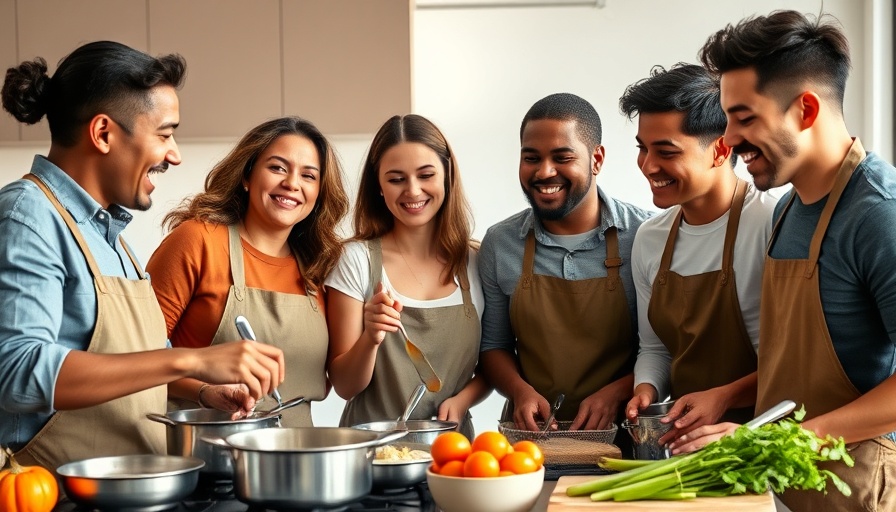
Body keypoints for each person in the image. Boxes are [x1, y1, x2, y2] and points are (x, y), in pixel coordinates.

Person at [0, 41, 284, 470]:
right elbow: (17, 372)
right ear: (103, 134)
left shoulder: (110, 235)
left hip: (123, 487)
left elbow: (136, 360)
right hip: (56, 493)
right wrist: (193, 358)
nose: (175, 153)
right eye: (165, 133)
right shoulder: (29, 216)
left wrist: (201, 389)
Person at [671, 10, 896, 510]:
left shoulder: (880, 215)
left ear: (806, 110)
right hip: (792, 487)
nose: (726, 140)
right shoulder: (789, 209)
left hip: (860, 489)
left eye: (744, 118)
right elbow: (804, 358)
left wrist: (778, 441)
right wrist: (728, 393)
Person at [146, 117, 349, 426]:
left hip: (300, 456)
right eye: (277, 168)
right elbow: (136, 361)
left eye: (308, 175)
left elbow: (333, 378)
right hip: (207, 454)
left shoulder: (319, 267)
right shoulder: (198, 241)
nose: (292, 183)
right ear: (247, 175)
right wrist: (203, 390)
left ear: (319, 192)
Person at [479, 93, 652, 438]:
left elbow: (664, 348)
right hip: (531, 441)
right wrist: (519, 391)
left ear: (596, 159)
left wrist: (619, 392)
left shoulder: (646, 236)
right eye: (531, 158)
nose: (544, 171)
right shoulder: (500, 243)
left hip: (628, 437)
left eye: (562, 157)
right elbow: (493, 347)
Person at [618, 63, 776, 443]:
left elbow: (795, 360)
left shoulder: (772, 224)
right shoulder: (651, 238)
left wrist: (726, 396)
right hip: (689, 442)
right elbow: (655, 348)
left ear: (721, 149)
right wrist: (647, 390)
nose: (648, 165)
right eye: (642, 148)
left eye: (666, 152)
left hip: (768, 436)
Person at [325, 114, 489, 438]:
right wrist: (370, 338)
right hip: (370, 454)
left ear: (447, 176)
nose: (413, 191)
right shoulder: (355, 261)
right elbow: (344, 385)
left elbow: (495, 361)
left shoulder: (477, 261)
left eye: (426, 175)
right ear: (379, 187)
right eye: (396, 178)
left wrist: (462, 400)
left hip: (454, 453)